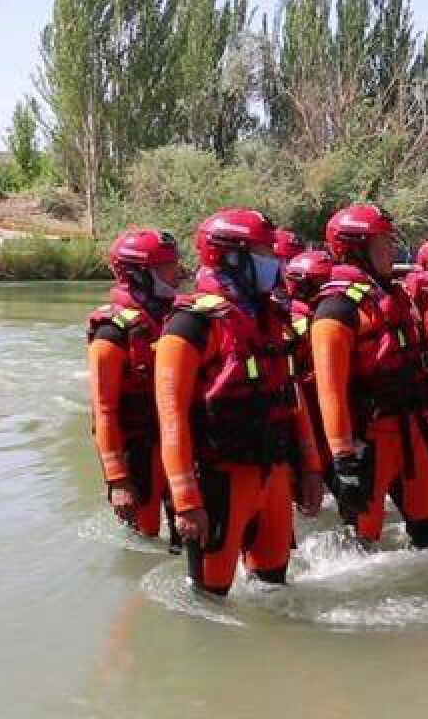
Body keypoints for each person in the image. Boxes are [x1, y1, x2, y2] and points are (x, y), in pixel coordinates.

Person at [155, 208, 325, 596]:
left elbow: (292, 394)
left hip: (275, 473)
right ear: (232, 257)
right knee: (208, 605)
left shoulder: (270, 317)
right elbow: (172, 419)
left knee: (275, 594)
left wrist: (310, 467)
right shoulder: (190, 325)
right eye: (265, 253)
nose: (276, 262)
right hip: (219, 480)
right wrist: (184, 500)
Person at [309, 204, 428, 548]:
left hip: (409, 429)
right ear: (355, 249)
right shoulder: (336, 310)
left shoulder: (393, 296)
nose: (392, 249)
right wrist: (343, 459)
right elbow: (330, 393)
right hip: (368, 440)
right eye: (383, 242)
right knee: (362, 545)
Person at [87, 229, 184, 543]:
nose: (179, 273)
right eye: (168, 266)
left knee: (183, 539)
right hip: (136, 451)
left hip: (172, 443)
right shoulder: (110, 335)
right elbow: (103, 410)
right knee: (144, 539)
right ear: (140, 274)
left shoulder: (176, 319)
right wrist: (117, 481)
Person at [285, 248, 338, 497]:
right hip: (305, 407)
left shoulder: (328, 314)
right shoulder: (296, 318)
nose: (327, 288)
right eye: (321, 282)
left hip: (322, 407)